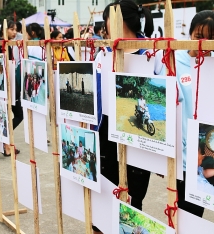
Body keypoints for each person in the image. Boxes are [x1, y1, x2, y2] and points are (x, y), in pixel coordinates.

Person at [91, 1, 162, 233]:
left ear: (118, 20)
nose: (105, 25)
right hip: (105, 134)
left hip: (139, 138)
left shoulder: (153, 53)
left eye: (107, 19)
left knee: (133, 199)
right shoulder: (103, 52)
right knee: (103, 194)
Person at [175, 10, 214, 218]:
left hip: (208, 148)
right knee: (181, 212)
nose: (204, 45)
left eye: (211, 39)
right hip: (181, 155)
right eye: (199, 37)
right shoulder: (174, 59)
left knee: (196, 212)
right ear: (190, 34)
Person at [0, 21, 22, 156]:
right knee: (15, 114)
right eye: (12, 29)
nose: (14, 32)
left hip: (6, 84)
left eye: (16, 30)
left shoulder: (5, 43)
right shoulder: (0, 44)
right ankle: (6, 143)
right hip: (4, 85)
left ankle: (5, 142)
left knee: (14, 114)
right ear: (4, 29)